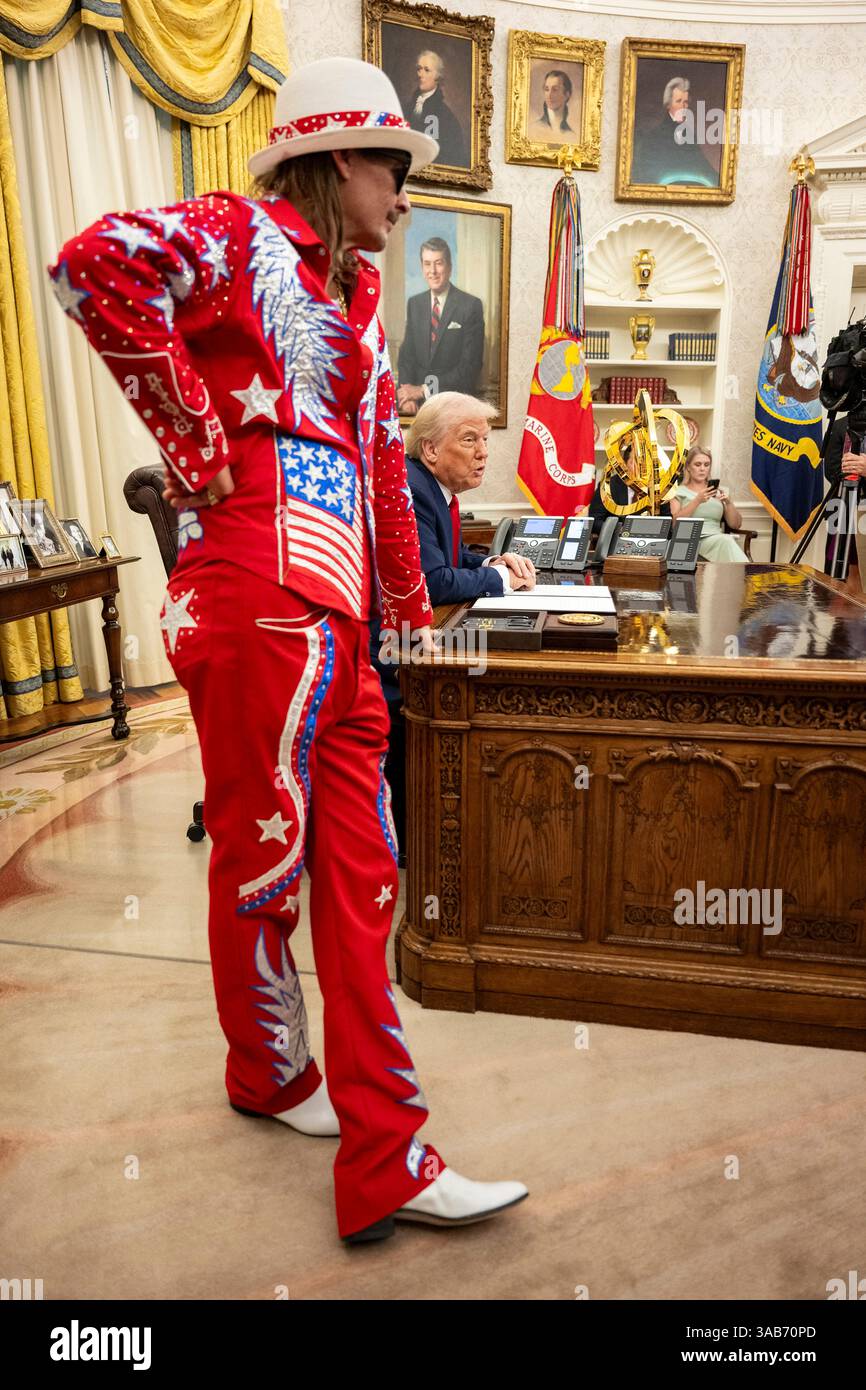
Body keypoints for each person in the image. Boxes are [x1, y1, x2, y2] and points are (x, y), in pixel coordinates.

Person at [49, 56, 527, 1246]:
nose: (406, 198)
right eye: (396, 169)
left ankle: (370, 1141)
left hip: (336, 616)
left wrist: (409, 611)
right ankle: (279, 1077)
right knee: (263, 865)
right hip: (252, 593)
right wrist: (201, 449)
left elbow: (373, 465)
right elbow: (89, 266)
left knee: (361, 879)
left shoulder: (356, 299)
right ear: (341, 160)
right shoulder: (233, 231)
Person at [404, 393, 535, 606]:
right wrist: (501, 577)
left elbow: (451, 558)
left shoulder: (434, 488)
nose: (483, 452)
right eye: (469, 440)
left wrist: (492, 562)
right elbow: (432, 583)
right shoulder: (414, 492)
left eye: (484, 440)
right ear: (431, 449)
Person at [396, 237, 484, 416]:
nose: (433, 271)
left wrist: (422, 390)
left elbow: (469, 367)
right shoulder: (415, 304)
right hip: (417, 406)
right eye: (427, 264)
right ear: (422, 268)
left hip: (455, 407)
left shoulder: (470, 306)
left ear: (449, 267)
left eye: (438, 263)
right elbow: (407, 356)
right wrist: (406, 397)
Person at [630, 75, 719, 187]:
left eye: (686, 102)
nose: (683, 106)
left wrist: (723, 184)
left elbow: (703, 166)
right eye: (678, 101)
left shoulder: (690, 135)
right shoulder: (653, 137)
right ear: (668, 104)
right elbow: (646, 176)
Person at [669, 447, 747, 562]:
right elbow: (675, 524)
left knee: (725, 541)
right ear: (688, 467)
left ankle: (743, 576)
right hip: (690, 540)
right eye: (698, 464)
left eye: (706, 465)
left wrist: (728, 503)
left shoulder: (720, 491)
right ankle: (747, 575)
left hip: (716, 538)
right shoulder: (677, 491)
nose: (702, 469)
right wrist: (697, 500)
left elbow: (736, 525)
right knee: (725, 541)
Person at [822, 414, 866, 593]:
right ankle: (840, 620)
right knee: (837, 577)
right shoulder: (840, 426)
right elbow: (831, 472)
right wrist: (850, 470)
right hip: (842, 508)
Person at [404, 50, 467, 168]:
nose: (420, 74)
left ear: (438, 77)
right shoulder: (406, 108)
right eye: (419, 69)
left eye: (426, 70)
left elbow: (453, 159)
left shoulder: (446, 116)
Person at [528, 69, 576, 144]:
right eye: (547, 89)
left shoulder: (571, 135)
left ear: (567, 95)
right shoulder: (533, 128)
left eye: (555, 90)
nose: (549, 95)